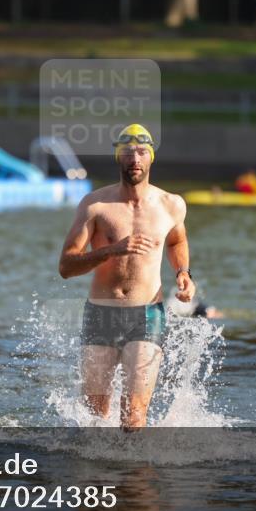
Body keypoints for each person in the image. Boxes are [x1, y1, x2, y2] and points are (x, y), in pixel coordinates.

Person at [59, 124, 194, 431]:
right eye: (129, 152)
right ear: (118, 157)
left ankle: (133, 480)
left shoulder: (171, 205)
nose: (135, 158)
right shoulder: (95, 205)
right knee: (94, 419)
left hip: (147, 315)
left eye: (142, 152)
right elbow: (66, 266)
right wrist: (112, 251)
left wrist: (183, 272)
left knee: (133, 419)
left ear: (151, 159)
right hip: (100, 314)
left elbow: (176, 241)